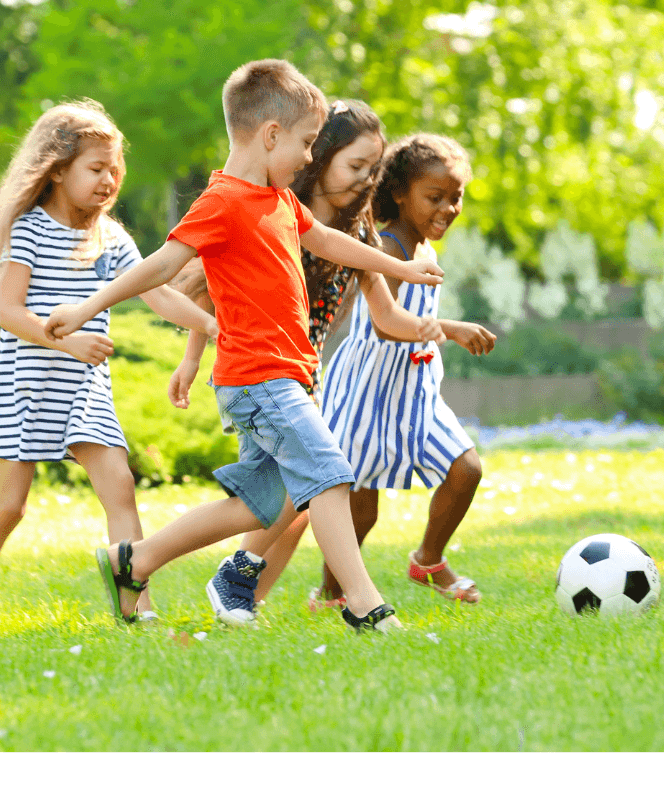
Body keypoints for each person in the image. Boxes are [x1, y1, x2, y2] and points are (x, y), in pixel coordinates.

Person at [44, 60, 444, 633]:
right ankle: (363, 603)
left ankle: (135, 561)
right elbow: (160, 265)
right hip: (258, 378)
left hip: (286, 375)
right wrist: (86, 308)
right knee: (329, 473)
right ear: (271, 135)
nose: (310, 157)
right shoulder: (224, 201)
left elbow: (329, 240)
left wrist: (396, 263)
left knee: (260, 507)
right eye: (306, 143)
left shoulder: (278, 200)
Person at [167, 99, 445, 624]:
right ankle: (319, 598)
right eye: (355, 166)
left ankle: (219, 586)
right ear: (321, 157)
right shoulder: (272, 208)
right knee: (313, 485)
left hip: (299, 370)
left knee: (283, 501)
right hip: (258, 369)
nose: (366, 180)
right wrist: (190, 358)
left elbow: (386, 316)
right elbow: (211, 291)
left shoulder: (357, 233)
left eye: (373, 170)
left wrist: (437, 326)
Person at [0, 101, 216, 626]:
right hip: (25, 384)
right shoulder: (30, 229)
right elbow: (9, 312)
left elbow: (157, 293)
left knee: (120, 486)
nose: (108, 180)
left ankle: (138, 607)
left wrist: (211, 326)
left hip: (83, 388)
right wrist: (66, 342)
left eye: (115, 170)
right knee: (11, 505)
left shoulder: (110, 237)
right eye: (96, 168)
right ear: (58, 169)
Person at [320, 133, 496, 606]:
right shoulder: (390, 249)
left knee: (465, 469)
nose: (448, 208)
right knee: (361, 508)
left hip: (414, 391)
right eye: (434, 197)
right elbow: (384, 326)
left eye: (455, 197)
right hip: (366, 390)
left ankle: (428, 559)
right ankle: (331, 592)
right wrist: (451, 328)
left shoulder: (424, 251)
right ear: (400, 193)